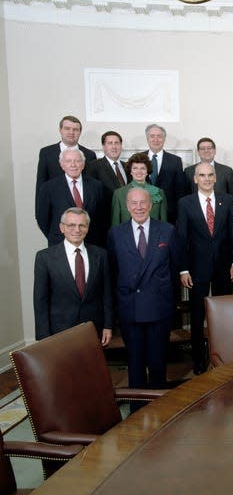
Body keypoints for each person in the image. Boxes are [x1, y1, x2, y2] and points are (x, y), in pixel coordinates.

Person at [107, 187, 180, 392]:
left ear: (150, 204)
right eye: (134, 203)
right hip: (130, 306)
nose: (139, 207)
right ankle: (136, 408)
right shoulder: (115, 233)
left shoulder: (167, 230)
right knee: (135, 361)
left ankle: (158, 405)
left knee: (158, 360)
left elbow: (174, 269)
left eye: (143, 202)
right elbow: (113, 271)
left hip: (159, 306)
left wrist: (168, 299)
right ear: (127, 206)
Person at [178, 162, 233, 374]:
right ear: (195, 179)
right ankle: (198, 361)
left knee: (224, 315)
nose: (206, 178)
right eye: (201, 175)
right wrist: (183, 269)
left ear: (215, 178)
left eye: (210, 175)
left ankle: (224, 358)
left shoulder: (227, 200)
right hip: (196, 269)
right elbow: (182, 238)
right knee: (197, 317)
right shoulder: (185, 203)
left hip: (224, 268)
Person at [33, 207, 112, 345]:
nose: (77, 230)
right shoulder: (45, 257)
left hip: (93, 328)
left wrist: (108, 325)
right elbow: (40, 301)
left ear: (87, 228)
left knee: (91, 367)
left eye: (82, 225)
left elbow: (107, 294)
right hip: (59, 331)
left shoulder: (100, 255)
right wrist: (43, 336)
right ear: (62, 228)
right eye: (71, 225)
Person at [36, 149, 106, 246]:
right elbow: (42, 219)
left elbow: (102, 218)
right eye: (68, 161)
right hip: (59, 244)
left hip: (92, 244)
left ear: (83, 164)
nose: (73, 165)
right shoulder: (48, 188)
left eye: (77, 161)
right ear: (62, 165)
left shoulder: (96, 186)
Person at [35, 115, 97, 207]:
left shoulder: (89, 155)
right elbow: (41, 184)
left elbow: (93, 186)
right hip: (55, 209)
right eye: (67, 128)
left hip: (83, 210)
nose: (71, 132)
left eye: (75, 129)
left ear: (80, 132)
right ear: (60, 130)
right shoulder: (46, 153)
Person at [86, 131, 129, 238]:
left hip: (127, 221)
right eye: (110, 143)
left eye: (117, 143)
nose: (114, 146)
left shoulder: (128, 167)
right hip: (104, 224)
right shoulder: (93, 167)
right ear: (103, 147)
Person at [139, 124, 185, 224]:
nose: (156, 139)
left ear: (164, 139)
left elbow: (180, 191)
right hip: (142, 212)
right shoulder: (138, 158)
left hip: (168, 215)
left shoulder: (175, 161)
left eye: (159, 136)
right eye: (152, 136)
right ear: (147, 138)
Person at [111, 153, 168, 226]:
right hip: (127, 236)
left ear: (147, 171)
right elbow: (115, 224)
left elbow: (164, 223)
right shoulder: (119, 194)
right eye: (135, 168)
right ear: (130, 171)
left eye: (143, 168)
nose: (139, 172)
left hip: (154, 235)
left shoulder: (159, 192)